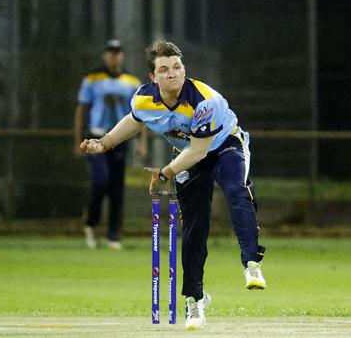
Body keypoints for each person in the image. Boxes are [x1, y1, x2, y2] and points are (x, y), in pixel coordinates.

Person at [81, 40, 266, 330]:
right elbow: (134, 121)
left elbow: (200, 151)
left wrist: (165, 172)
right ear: (153, 77)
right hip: (187, 156)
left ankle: (251, 264)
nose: (172, 74)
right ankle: (195, 300)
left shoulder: (204, 100)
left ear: (184, 70)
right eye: (164, 70)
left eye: (177, 67)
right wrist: (103, 143)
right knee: (193, 227)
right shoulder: (143, 98)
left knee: (234, 189)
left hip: (224, 144)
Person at [73, 39, 145, 250]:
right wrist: (78, 140)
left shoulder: (132, 81)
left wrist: (142, 143)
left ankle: (113, 234)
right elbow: (81, 110)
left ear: (122, 55)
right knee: (101, 181)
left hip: (120, 139)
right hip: (96, 138)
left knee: (116, 188)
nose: (114, 56)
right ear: (105, 55)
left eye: (118, 52)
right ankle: (91, 224)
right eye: (110, 52)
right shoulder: (92, 78)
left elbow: (142, 114)